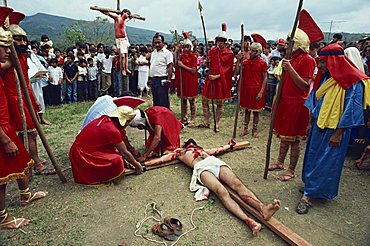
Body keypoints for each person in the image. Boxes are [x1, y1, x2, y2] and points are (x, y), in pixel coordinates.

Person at [143, 139, 281, 236]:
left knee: (238, 184)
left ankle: (263, 208)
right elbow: (162, 159)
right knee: (222, 191)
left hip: (213, 162)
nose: (190, 143)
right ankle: (249, 221)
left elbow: (218, 149)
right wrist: (144, 164)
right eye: (188, 142)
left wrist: (229, 145)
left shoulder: (202, 150)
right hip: (201, 169)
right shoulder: (179, 152)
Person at [296, 43, 370, 214]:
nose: (320, 66)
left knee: (326, 161)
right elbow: (315, 100)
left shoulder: (353, 83)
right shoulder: (327, 79)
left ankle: (308, 197)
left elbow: (352, 110)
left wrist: (338, 134)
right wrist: (309, 123)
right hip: (318, 126)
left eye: (323, 62)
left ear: (334, 61)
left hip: (336, 130)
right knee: (313, 157)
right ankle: (312, 185)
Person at [0, 6, 47, 229]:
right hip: (7, 114)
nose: (15, 46)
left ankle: (25, 193)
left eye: (20, 40)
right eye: (12, 42)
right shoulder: (7, 62)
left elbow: (25, 83)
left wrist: (36, 105)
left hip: (14, 109)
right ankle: (3, 217)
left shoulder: (20, 57)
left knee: (19, 156)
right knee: (5, 169)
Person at [269, 10, 323, 182]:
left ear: (298, 43)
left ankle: (291, 170)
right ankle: (279, 162)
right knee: (284, 136)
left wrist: (290, 69)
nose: (287, 44)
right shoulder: (290, 58)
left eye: (291, 41)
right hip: (285, 103)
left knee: (294, 140)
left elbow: (305, 85)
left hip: (297, 105)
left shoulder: (307, 59)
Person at [1, 11, 56, 175]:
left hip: (25, 97)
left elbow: (25, 81)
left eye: (24, 39)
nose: (22, 42)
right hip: (14, 99)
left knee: (32, 132)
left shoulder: (22, 57)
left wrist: (33, 99)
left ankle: (33, 158)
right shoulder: (7, 58)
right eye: (18, 39)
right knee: (30, 133)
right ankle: (36, 164)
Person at [69, 98, 144, 185]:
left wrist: (130, 153)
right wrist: (137, 165)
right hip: (82, 154)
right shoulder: (111, 129)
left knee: (116, 152)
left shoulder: (108, 120)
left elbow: (122, 141)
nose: (127, 125)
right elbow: (124, 152)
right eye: (127, 122)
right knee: (117, 160)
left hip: (91, 148)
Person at [199, 23, 234, 131]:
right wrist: (206, 62)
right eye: (218, 41)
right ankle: (206, 121)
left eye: (222, 41)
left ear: (225, 42)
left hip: (220, 81)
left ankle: (217, 123)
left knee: (219, 103)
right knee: (205, 101)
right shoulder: (213, 51)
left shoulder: (229, 53)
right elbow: (208, 63)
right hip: (210, 79)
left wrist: (217, 76)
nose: (220, 43)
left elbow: (228, 70)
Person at [237, 34, 268, 137]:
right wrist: (238, 61)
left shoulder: (262, 63)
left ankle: (254, 130)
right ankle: (245, 128)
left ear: (258, 52)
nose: (250, 52)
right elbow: (237, 72)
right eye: (250, 50)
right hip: (246, 89)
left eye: (253, 50)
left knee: (256, 112)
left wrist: (261, 92)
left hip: (257, 89)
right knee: (246, 110)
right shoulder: (245, 62)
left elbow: (265, 78)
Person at [174, 32, 198, 126]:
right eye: (184, 47)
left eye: (188, 47)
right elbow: (175, 63)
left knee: (191, 101)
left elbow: (193, 70)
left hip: (191, 80)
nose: (186, 49)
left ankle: (193, 118)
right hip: (183, 80)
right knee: (183, 101)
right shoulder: (181, 56)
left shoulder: (193, 56)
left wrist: (182, 65)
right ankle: (184, 117)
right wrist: (176, 52)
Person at [100, 9, 132, 76]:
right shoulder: (117, 18)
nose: (128, 15)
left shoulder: (124, 21)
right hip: (119, 39)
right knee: (122, 56)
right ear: (123, 12)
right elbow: (108, 13)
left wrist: (130, 17)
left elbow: (129, 19)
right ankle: (123, 69)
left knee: (126, 55)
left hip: (124, 38)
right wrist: (101, 10)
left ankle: (125, 68)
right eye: (127, 13)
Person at [149, 33, 173, 108]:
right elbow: (152, 65)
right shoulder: (153, 53)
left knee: (163, 100)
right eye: (155, 42)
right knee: (156, 100)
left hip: (162, 79)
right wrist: (150, 78)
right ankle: (157, 116)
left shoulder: (167, 53)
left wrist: (168, 79)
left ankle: (165, 117)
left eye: (159, 42)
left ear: (163, 43)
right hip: (154, 79)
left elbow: (170, 66)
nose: (157, 44)